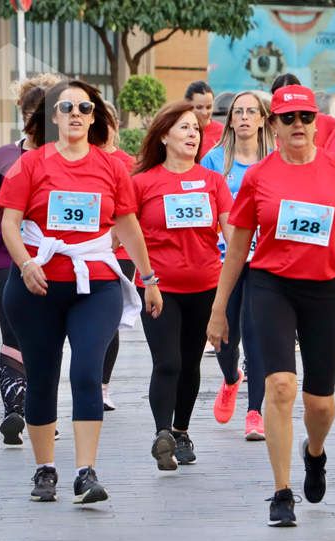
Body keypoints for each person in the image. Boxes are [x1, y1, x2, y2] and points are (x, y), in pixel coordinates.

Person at [207, 84, 335, 527]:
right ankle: (282, 491)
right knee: (280, 386)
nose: (299, 125)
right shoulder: (260, 176)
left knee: (321, 404)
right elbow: (237, 248)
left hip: (324, 290)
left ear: (316, 122)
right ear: (272, 124)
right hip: (271, 285)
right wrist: (219, 309)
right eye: (289, 118)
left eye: (306, 117)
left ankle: (314, 453)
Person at [0, 79, 162, 504]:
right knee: (43, 375)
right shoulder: (30, 164)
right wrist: (26, 264)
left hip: (96, 284)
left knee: (87, 371)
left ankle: (86, 472)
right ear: (53, 116)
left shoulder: (110, 167)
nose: (75, 114)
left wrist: (148, 278)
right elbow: (9, 224)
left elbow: (126, 223)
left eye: (84, 108)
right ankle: (44, 469)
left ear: (94, 117)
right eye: (66, 107)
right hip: (37, 285)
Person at [132, 100, 233, 470]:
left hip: (205, 286)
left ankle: (181, 430)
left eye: (196, 129)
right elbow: (122, 234)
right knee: (168, 361)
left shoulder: (213, 182)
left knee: (190, 363)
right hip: (159, 288)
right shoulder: (142, 183)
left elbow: (232, 232)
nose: (193, 134)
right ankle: (162, 434)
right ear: (164, 136)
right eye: (184, 128)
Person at [0, 73, 63, 442]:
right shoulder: (6, 157)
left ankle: (37, 413)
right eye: (32, 112)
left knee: (46, 340)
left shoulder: (68, 158)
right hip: (6, 263)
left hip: (57, 263)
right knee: (15, 332)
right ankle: (15, 410)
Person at [201, 91, 275, 439]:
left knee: (258, 333)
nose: (245, 117)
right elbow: (203, 210)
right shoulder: (215, 162)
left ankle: (255, 411)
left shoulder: (276, 161)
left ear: (263, 119)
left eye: (252, 112)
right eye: (238, 112)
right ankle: (232, 378)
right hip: (224, 259)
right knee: (225, 338)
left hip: (266, 261)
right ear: (230, 120)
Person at [100, 100, 137, 411]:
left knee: (108, 319)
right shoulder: (83, 160)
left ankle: (102, 386)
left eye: (106, 122)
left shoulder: (129, 163)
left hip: (121, 251)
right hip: (87, 248)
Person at [270, 74, 335, 147]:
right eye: (278, 96)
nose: (298, 124)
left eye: (288, 94)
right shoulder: (269, 126)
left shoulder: (326, 122)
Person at [184, 81, 223, 157]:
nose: (205, 113)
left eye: (209, 107)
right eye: (199, 107)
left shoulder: (223, 133)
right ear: (187, 106)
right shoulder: (178, 131)